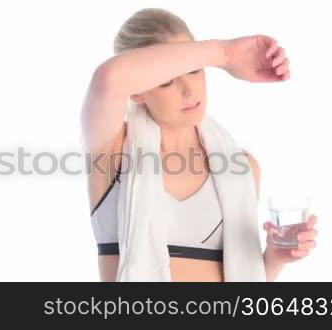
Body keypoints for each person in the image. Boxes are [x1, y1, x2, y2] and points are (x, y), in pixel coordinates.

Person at [80, 8, 318, 282]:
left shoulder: (241, 168)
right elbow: (109, 78)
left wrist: (276, 258)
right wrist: (225, 54)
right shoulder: (112, 153)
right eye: (167, 80)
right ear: (137, 91)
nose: (189, 90)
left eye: (194, 70)